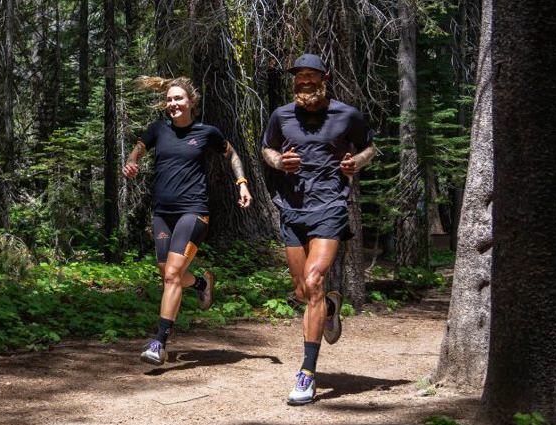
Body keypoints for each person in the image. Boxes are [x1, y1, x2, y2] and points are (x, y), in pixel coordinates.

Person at [260, 54, 377, 405]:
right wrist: (280, 161)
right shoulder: (281, 115)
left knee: (313, 280)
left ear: (324, 78)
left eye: (311, 75)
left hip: (330, 205)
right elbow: (267, 149)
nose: (305, 81)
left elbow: (370, 148)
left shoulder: (347, 115)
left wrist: (356, 162)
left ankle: (307, 374)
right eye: (300, 76)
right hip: (291, 207)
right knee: (302, 292)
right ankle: (327, 306)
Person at [123, 76, 252, 365]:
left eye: (178, 99)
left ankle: (159, 342)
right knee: (168, 273)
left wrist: (242, 182)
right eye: (169, 99)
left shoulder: (206, 133)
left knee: (172, 274)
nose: (173, 104)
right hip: (162, 213)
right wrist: (132, 161)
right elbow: (138, 149)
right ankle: (201, 284)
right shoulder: (158, 130)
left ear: (191, 102)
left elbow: (232, 154)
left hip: (194, 211)